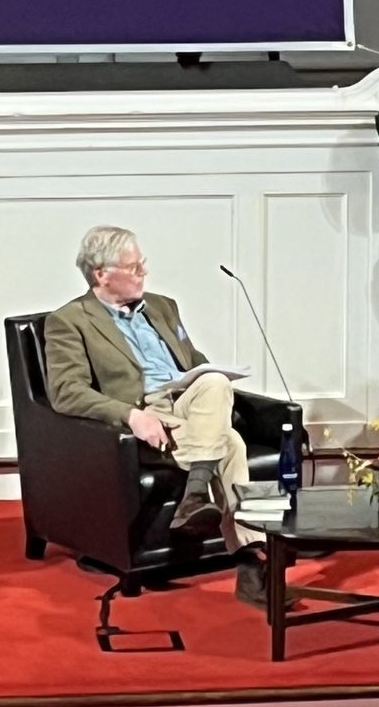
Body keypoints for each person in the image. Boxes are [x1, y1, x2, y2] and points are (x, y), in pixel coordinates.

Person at [43, 225, 267, 608]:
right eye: (134, 268)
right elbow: (67, 392)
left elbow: (192, 362)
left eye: (142, 265)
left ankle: (195, 497)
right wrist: (131, 415)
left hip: (190, 399)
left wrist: (216, 375)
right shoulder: (70, 321)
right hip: (151, 408)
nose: (143, 274)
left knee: (213, 380)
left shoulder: (164, 307)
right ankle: (249, 563)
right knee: (230, 442)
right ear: (102, 274)